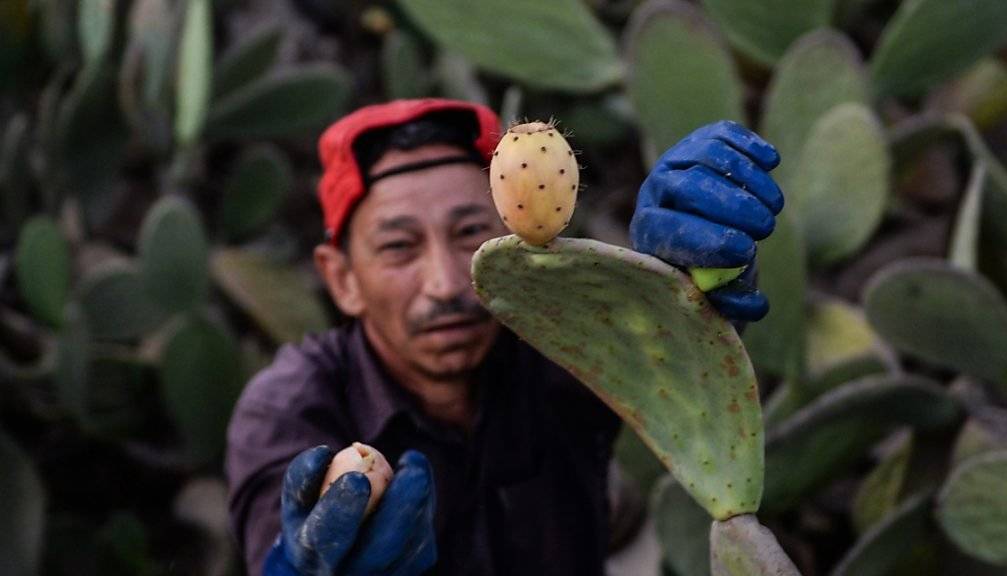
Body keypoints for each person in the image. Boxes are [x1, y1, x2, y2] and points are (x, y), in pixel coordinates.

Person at [225, 98, 783, 576]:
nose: (444, 284)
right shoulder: (288, 406)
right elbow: (277, 541)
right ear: (342, 279)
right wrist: (300, 565)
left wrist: (689, 280)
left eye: (470, 232)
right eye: (398, 247)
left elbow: (673, 363)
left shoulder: (565, 339)